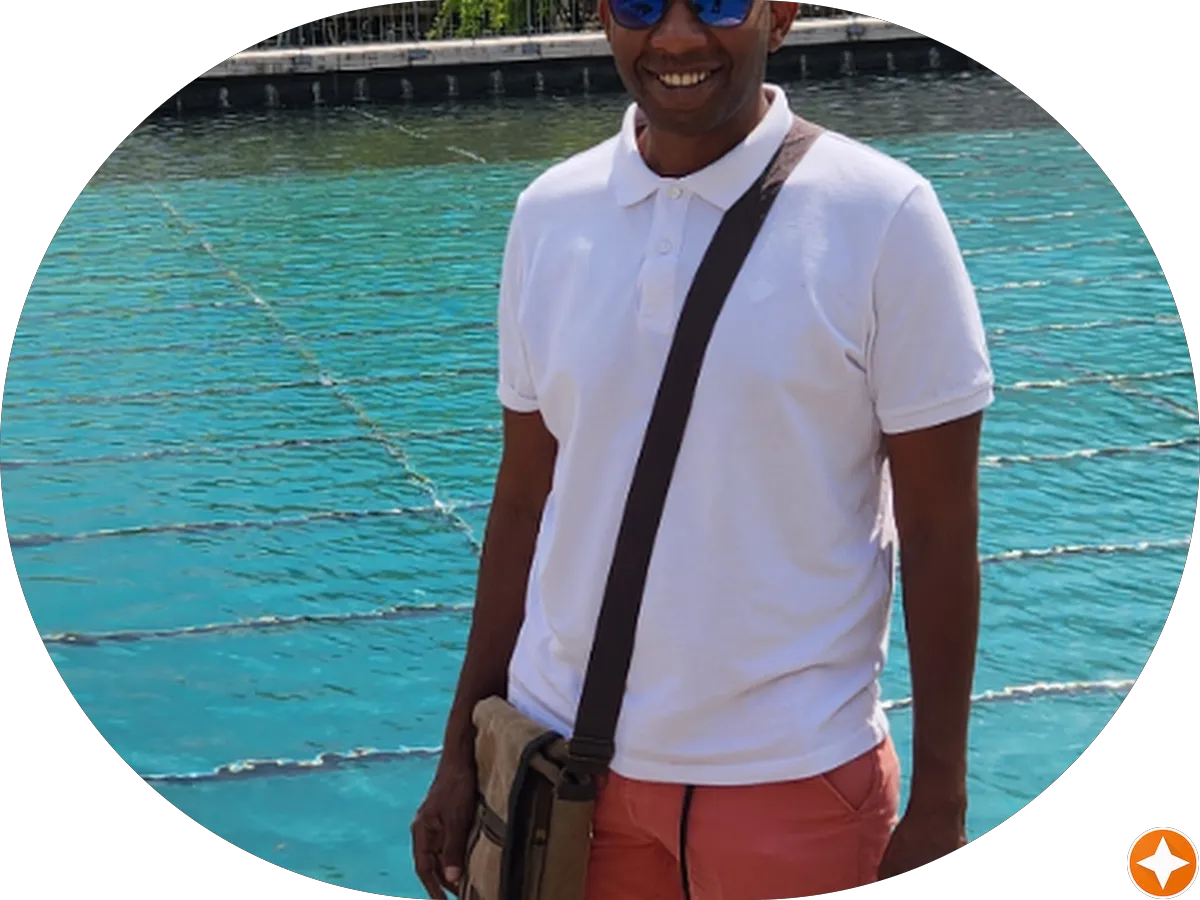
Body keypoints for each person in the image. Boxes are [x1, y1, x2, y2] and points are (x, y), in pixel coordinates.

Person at [412, 2, 994, 898]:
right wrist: (459, 749)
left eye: (719, 2)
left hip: (794, 779)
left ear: (780, 15)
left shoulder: (882, 215)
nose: (678, 37)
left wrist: (941, 802)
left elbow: (940, 529)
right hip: (562, 770)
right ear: (605, 18)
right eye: (641, 5)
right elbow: (525, 498)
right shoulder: (549, 215)